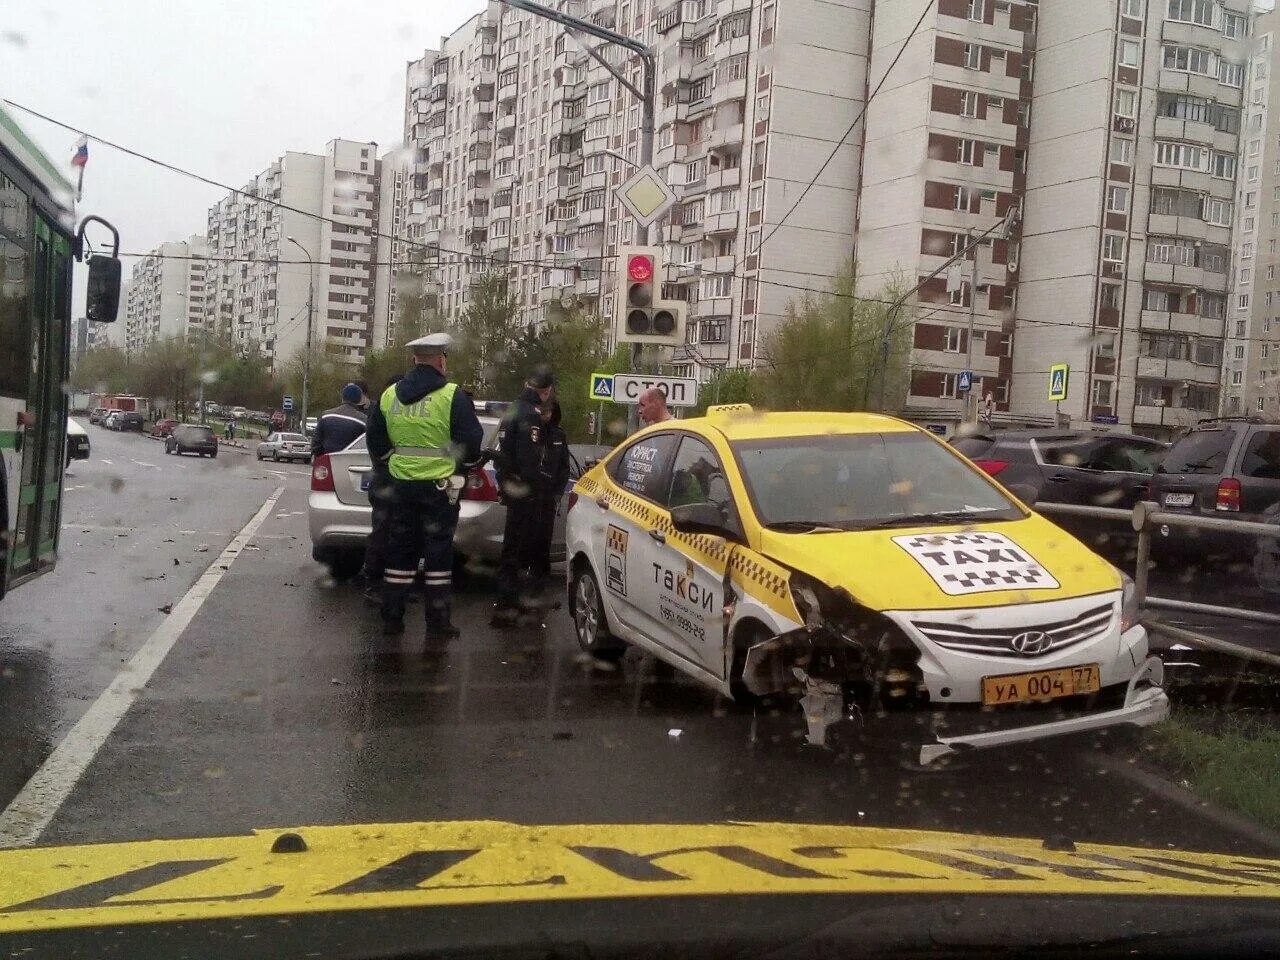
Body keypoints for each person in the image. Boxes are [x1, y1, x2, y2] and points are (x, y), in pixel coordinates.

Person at [366, 333, 483, 642]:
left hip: (401, 487)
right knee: (438, 555)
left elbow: (375, 439)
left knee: (400, 551)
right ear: (441, 361)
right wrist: (460, 468)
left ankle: (392, 617)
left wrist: (391, 464)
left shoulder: (389, 395)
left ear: (414, 360)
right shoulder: (452, 395)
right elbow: (471, 442)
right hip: (439, 490)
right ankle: (437, 622)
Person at [491, 366, 556, 625]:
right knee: (521, 549)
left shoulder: (512, 410)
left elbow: (501, 453)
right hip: (525, 493)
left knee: (511, 548)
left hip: (510, 486)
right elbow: (530, 459)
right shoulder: (531, 415)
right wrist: (534, 487)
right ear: (546, 391)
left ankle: (506, 600)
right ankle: (510, 604)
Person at [361, 373, 403, 602]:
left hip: (398, 480)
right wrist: (390, 461)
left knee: (399, 535)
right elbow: (375, 442)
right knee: (382, 534)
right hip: (387, 481)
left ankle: (394, 585)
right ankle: (374, 584)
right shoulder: (382, 409)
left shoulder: (392, 410)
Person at [530, 398, 570, 596]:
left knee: (544, 540)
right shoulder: (532, 433)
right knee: (528, 539)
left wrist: (557, 494)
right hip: (530, 495)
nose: (546, 416)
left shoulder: (558, 436)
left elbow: (564, 469)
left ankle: (540, 584)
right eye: (543, 412)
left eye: (549, 412)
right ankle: (525, 581)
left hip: (548, 496)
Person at [311, 382, 368, 457]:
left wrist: (320, 457)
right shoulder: (363, 420)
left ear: (342, 398)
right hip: (351, 463)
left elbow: (316, 443)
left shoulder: (326, 415)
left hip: (328, 462)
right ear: (359, 400)